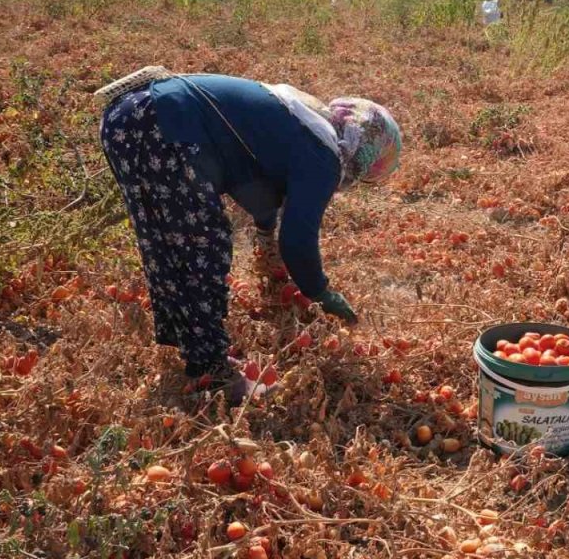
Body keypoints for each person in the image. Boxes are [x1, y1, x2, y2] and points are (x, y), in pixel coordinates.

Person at [97, 67, 402, 399]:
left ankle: (196, 350)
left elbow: (255, 185)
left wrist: (264, 234)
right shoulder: (324, 158)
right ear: (365, 152)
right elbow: (298, 240)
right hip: (163, 125)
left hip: (128, 118)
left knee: (168, 240)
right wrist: (320, 292)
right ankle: (212, 374)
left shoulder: (304, 124)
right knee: (203, 247)